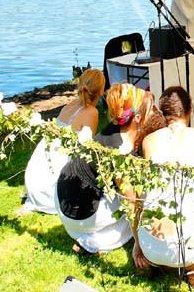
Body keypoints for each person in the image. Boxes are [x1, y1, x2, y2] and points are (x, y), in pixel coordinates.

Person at [55, 83, 165, 254]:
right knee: (138, 206)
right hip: (80, 214)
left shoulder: (115, 128)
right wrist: (138, 244)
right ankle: (91, 241)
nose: (155, 112)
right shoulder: (120, 151)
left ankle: (88, 236)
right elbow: (130, 204)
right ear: (137, 118)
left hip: (63, 198)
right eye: (150, 109)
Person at [132, 87, 194, 287]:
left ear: (163, 112)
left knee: (156, 197)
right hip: (189, 247)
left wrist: (138, 243)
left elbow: (141, 198)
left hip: (150, 246)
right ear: (189, 110)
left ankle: (160, 260)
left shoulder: (148, 141)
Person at [19, 68, 105, 216]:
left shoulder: (70, 105)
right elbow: (87, 148)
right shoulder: (91, 112)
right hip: (55, 177)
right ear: (101, 91)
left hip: (39, 171)